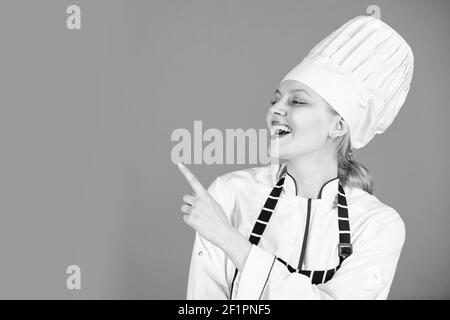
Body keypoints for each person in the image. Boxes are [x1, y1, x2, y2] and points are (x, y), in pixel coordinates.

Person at [178, 14, 414, 300]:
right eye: (275, 99)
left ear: (338, 125)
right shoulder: (230, 196)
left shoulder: (378, 225)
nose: (275, 110)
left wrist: (231, 241)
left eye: (297, 101)